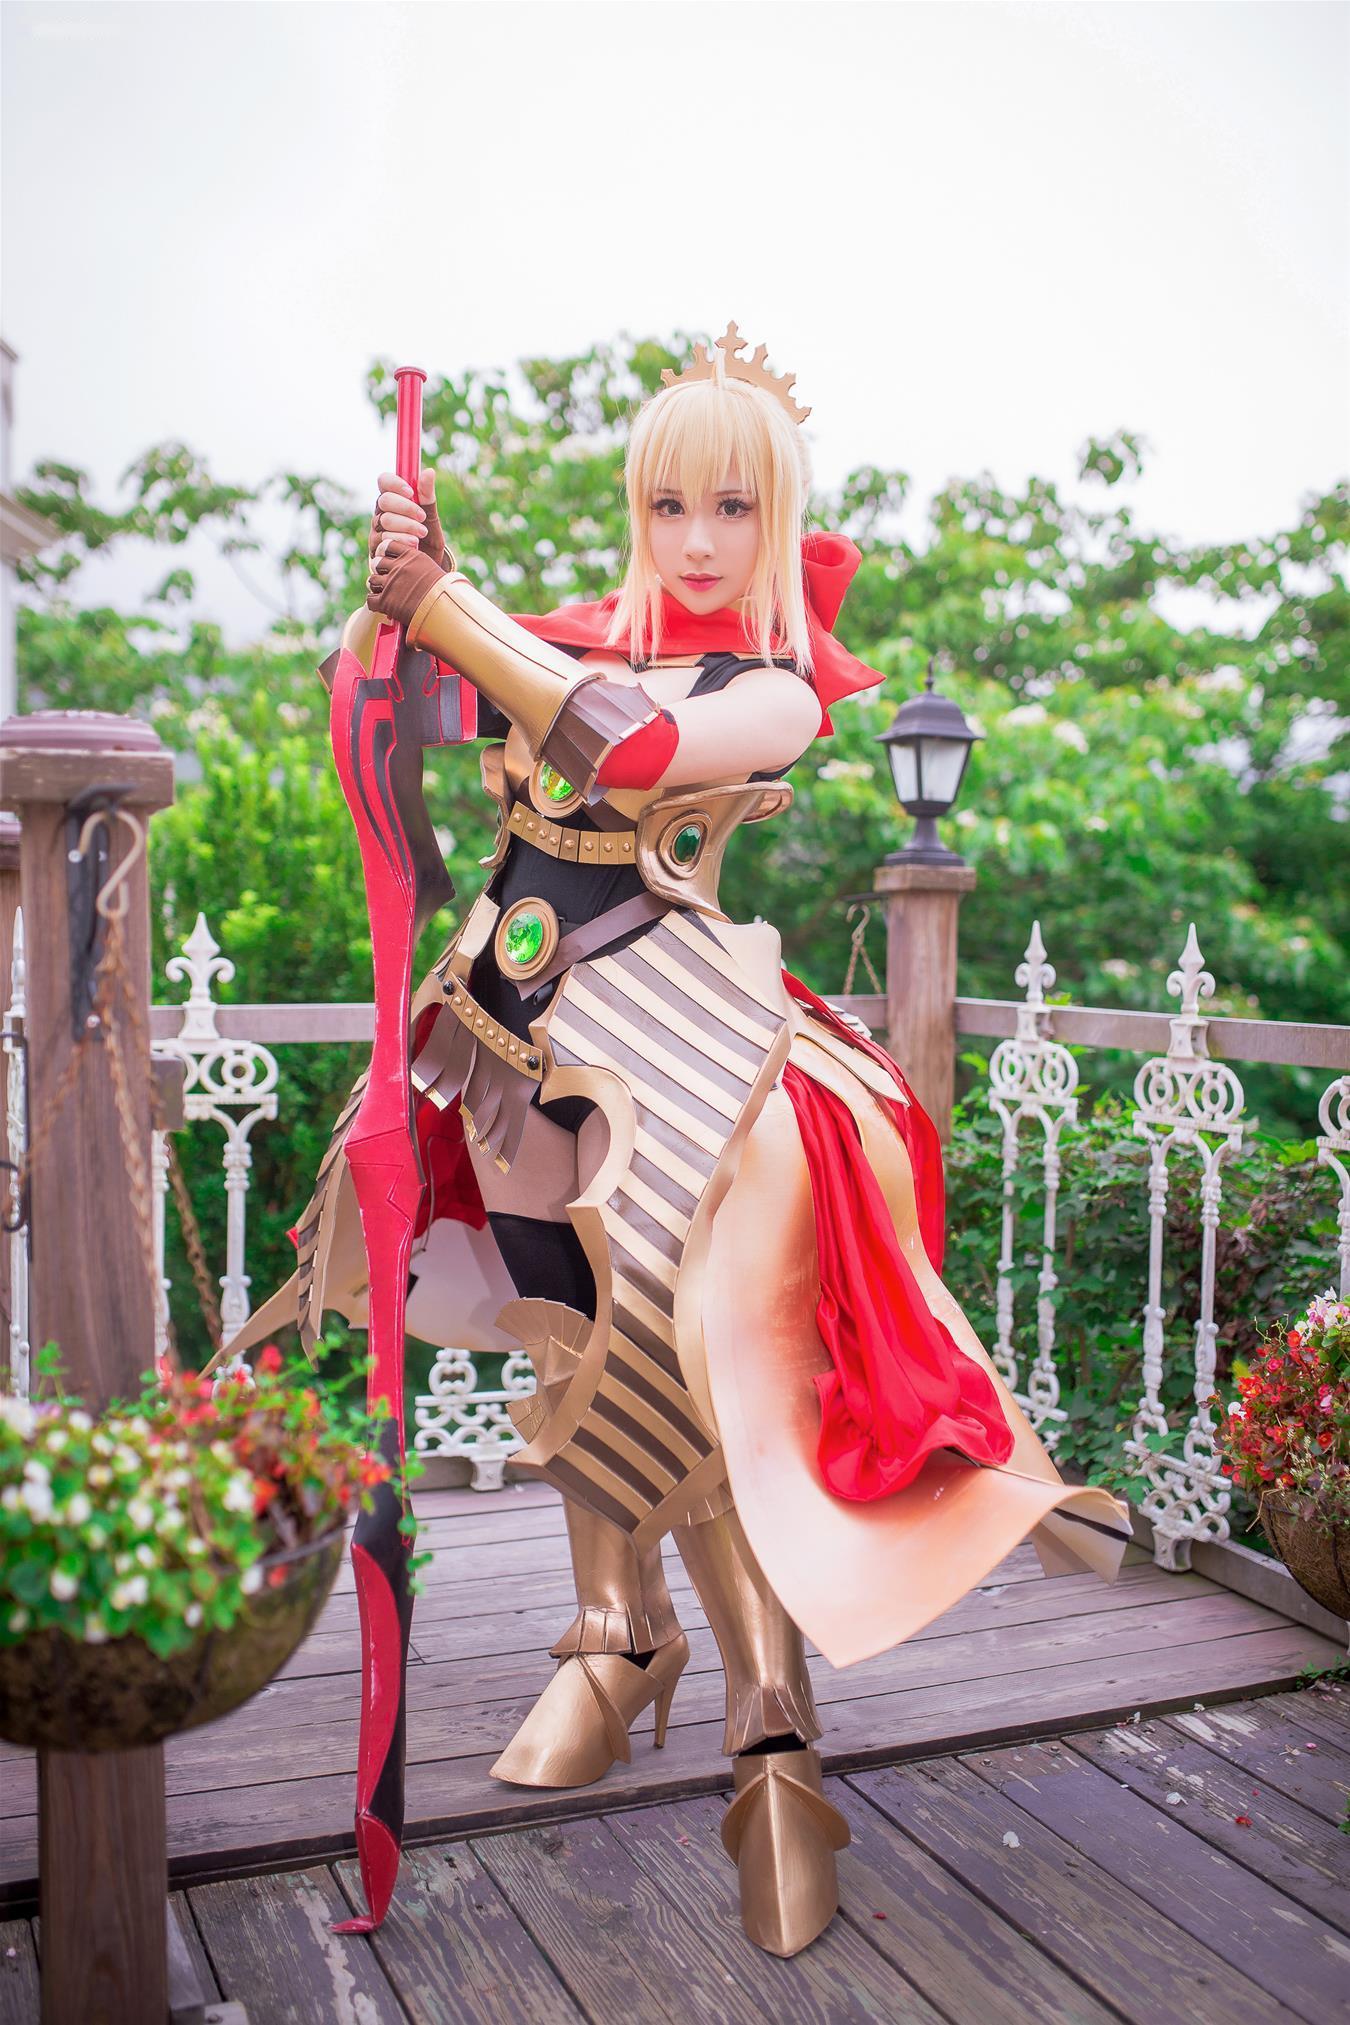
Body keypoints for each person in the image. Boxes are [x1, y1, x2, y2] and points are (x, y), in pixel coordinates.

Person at [247, 327, 1133, 1956]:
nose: (700, 539)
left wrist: (444, 601)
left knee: (700, 1363)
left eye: (734, 507)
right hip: (508, 1030)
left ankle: (769, 1713)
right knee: (559, 1325)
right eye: (670, 505)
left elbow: (626, 749)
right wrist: (388, 608)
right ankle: (610, 1630)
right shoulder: (567, 633)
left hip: (671, 1043)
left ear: (776, 518)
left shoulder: (772, 686)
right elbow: (388, 705)